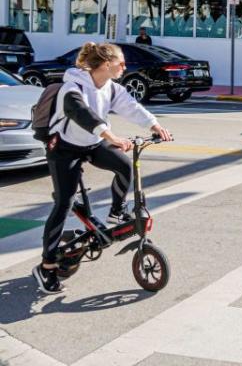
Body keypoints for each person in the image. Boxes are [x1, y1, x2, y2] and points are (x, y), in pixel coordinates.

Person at [32, 42, 173, 294]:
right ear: (107, 64)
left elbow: (130, 105)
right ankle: (47, 266)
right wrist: (112, 137)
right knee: (63, 204)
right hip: (64, 149)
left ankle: (117, 212)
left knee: (124, 166)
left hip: (93, 143)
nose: (124, 67)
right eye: (121, 63)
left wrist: (153, 125)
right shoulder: (72, 87)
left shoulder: (109, 87)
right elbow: (83, 115)